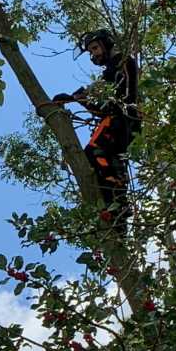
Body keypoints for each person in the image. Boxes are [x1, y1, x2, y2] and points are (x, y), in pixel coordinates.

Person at [52, 29, 140, 230]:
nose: (94, 55)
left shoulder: (122, 62)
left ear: (106, 43)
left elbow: (119, 97)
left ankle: (118, 203)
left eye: (94, 48)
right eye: (91, 51)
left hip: (122, 120)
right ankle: (117, 210)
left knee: (94, 152)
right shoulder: (113, 68)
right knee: (112, 159)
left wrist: (79, 97)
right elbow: (104, 103)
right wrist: (78, 98)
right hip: (123, 122)